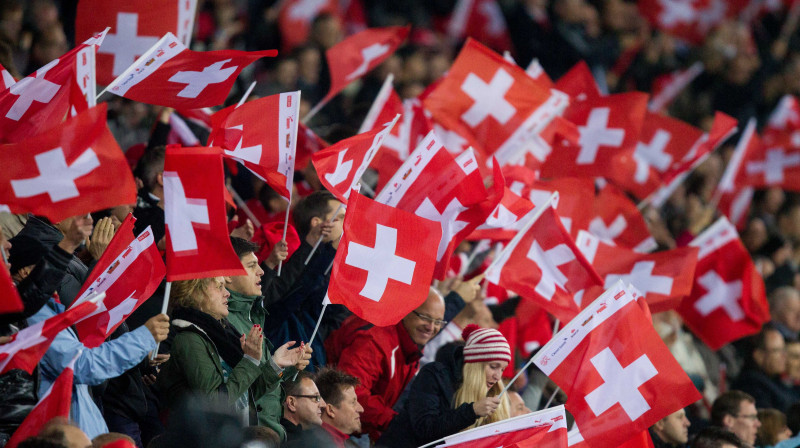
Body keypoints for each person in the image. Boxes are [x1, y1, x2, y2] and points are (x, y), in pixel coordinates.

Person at [157, 277, 292, 423]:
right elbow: (215, 403)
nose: (227, 293)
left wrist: (275, 364)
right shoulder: (190, 339)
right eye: (219, 287)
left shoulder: (222, 333)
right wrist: (250, 360)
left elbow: (245, 393)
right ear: (196, 292)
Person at [326, 289, 447, 441]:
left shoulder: (410, 345)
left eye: (438, 322)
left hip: (361, 428)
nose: (431, 327)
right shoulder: (374, 340)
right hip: (332, 424)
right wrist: (394, 422)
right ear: (405, 311)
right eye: (425, 317)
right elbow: (352, 392)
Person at [225, 237, 310, 440]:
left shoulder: (251, 315)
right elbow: (245, 391)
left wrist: (288, 367)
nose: (261, 271)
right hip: (251, 437)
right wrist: (276, 366)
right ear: (227, 275)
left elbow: (260, 381)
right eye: (252, 265)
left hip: (269, 434)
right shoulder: (224, 321)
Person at [379, 325, 512, 448]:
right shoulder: (434, 375)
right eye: (494, 367)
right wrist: (472, 411)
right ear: (474, 364)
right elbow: (425, 428)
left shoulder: (492, 392)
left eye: (502, 369)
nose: (498, 377)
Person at [732, 326, 798, 412]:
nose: (784, 356)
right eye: (777, 351)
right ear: (759, 356)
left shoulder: (776, 380)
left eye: (784, 350)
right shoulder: (752, 384)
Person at [315, 367, 364, 448]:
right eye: (352, 402)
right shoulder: (314, 444)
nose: (361, 409)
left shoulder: (345, 443)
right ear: (330, 410)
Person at [280, 372, 327, 444]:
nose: (323, 405)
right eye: (316, 397)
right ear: (292, 403)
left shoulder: (312, 439)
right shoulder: (281, 442)